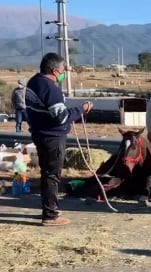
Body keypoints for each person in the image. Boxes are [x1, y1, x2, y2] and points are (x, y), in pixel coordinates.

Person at [25, 52, 93, 226]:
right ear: (55, 71)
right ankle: (50, 215)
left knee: (46, 173)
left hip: (40, 134)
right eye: (63, 70)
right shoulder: (50, 88)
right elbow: (61, 117)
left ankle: (49, 208)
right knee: (52, 175)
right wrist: (81, 109)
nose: (64, 73)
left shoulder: (34, 82)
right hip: (52, 137)